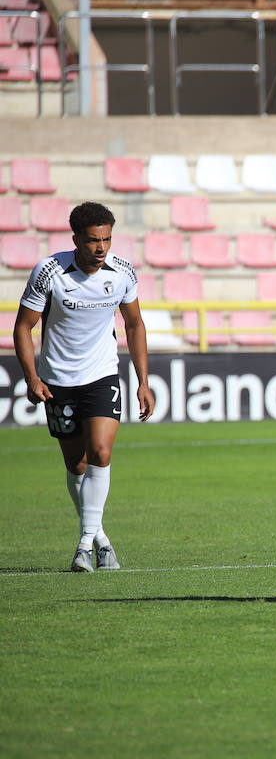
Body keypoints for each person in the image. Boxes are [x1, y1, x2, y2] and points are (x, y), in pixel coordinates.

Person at [12, 201, 154, 572]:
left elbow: (135, 325)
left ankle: (83, 545)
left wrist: (143, 381)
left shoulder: (122, 272)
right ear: (75, 238)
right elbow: (22, 327)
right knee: (76, 464)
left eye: (106, 239)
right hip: (58, 380)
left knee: (101, 453)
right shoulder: (50, 272)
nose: (101, 248)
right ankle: (101, 539)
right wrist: (32, 377)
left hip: (102, 374)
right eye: (93, 240)